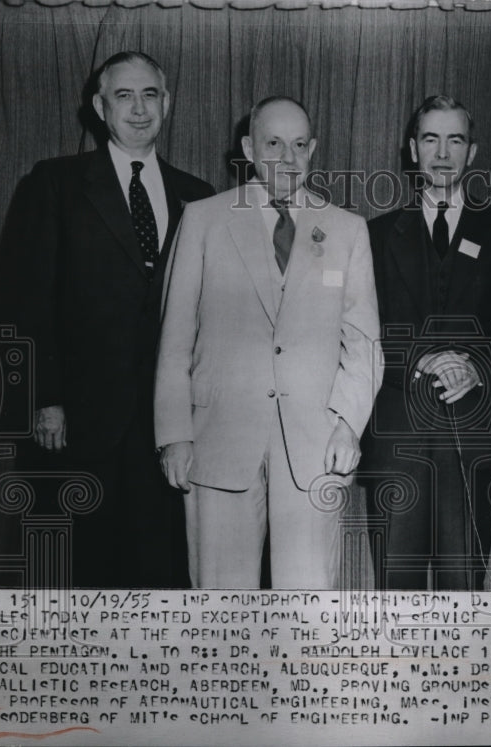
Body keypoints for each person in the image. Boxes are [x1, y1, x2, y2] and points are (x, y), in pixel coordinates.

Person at [2, 51, 214, 587]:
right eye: (124, 95)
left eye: (150, 95)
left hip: (167, 428)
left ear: (167, 103)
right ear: (99, 106)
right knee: (82, 570)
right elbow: (23, 300)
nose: (138, 109)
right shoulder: (54, 184)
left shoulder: (200, 197)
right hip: (80, 422)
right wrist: (45, 398)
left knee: (161, 571)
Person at [154, 96, 381, 589]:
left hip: (314, 445)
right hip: (218, 442)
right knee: (221, 608)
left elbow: (363, 343)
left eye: (300, 145)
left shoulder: (346, 230)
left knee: (307, 604)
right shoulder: (203, 220)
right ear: (249, 149)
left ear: (313, 149)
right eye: (274, 144)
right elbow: (175, 338)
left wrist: (347, 426)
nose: (288, 158)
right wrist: (174, 434)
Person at [361, 95, 491, 591]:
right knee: (398, 590)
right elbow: (362, 332)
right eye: (431, 138)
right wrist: (422, 359)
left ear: (472, 152)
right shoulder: (374, 235)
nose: (443, 152)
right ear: (412, 149)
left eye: (455, 139)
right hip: (398, 437)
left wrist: (479, 366)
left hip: (474, 436)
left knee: (463, 589)